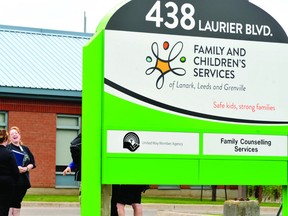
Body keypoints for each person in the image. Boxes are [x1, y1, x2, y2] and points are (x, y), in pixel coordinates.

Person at [7, 126, 36, 216]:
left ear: (19, 135)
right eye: (12, 134)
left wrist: (26, 168)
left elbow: (32, 163)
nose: (14, 135)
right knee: (9, 203)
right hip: (11, 181)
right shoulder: (8, 148)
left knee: (17, 202)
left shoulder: (25, 149)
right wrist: (16, 168)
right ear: (9, 138)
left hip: (23, 181)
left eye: (16, 133)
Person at [0, 130, 19, 216]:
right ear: (6, 139)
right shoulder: (9, 153)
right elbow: (15, 171)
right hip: (7, 184)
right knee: (4, 208)